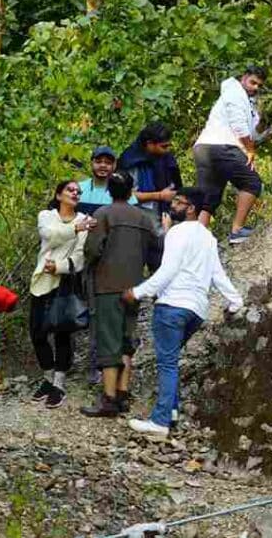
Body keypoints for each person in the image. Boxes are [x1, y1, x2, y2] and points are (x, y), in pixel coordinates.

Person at [122, 187, 244, 438]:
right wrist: (235, 301)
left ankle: (160, 422)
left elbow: (168, 271)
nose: (172, 204)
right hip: (196, 310)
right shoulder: (208, 238)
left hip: (172, 305)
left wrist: (138, 291)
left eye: (178, 202)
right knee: (172, 359)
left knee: (167, 363)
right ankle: (173, 410)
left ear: (191, 208)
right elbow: (217, 274)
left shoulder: (178, 232)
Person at [80, 171, 160, 417]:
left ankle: (109, 400)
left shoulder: (103, 215)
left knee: (108, 341)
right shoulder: (145, 218)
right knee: (127, 340)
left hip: (107, 285)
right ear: (131, 191)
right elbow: (155, 253)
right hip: (134, 287)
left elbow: (92, 250)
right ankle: (123, 393)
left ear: (109, 191)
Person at [30, 180, 96, 409]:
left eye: (78, 191)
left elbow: (79, 257)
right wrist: (74, 230)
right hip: (41, 281)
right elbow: (49, 235)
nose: (75, 193)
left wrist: (58, 267)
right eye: (70, 189)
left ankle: (59, 383)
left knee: (62, 332)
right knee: (37, 332)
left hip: (65, 280)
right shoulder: (46, 216)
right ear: (59, 195)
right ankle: (47, 377)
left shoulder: (83, 220)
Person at [192, 66, 267, 245]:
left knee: (209, 196)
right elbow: (240, 128)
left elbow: (251, 131)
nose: (255, 87)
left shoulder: (244, 100)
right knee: (252, 182)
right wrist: (250, 150)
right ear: (244, 77)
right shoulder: (234, 93)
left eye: (259, 85)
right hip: (221, 146)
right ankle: (237, 230)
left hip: (203, 147)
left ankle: (196, 240)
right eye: (252, 82)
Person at [119, 122, 183, 225]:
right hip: (139, 218)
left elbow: (177, 187)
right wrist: (159, 196)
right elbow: (125, 196)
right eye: (163, 146)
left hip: (168, 215)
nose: (167, 150)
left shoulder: (167, 159)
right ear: (149, 144)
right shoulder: (132, 161)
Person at [77, 146, 117, 216]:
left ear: (114, 166)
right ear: (91, 163)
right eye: (98, 162)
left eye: (108, 163)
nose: (103, 165)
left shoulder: (122, 190)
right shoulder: (77, 188)